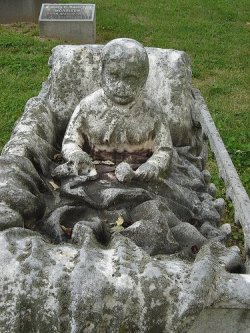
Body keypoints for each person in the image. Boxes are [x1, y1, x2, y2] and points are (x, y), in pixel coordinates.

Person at [62, 38, 173, 182]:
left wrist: (153, 165)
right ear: (102, 73)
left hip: (138, 176)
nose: (121, 85)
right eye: (113, 75)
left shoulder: (153, 112)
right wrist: (76, 154)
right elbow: (70, 141)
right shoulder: (87, 107)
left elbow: (164, 150)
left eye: (130, 78)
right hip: (94, 174)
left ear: (143, 79)